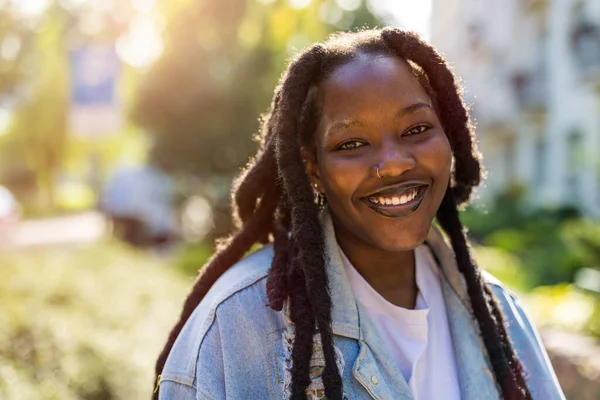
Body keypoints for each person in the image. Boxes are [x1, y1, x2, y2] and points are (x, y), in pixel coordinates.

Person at [154, 28, 565, 400]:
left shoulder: (500, 315)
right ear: (312, 168)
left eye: (417, 130)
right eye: (351, 144)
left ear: (451, 136)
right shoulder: (233, 329)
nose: (393, 163)